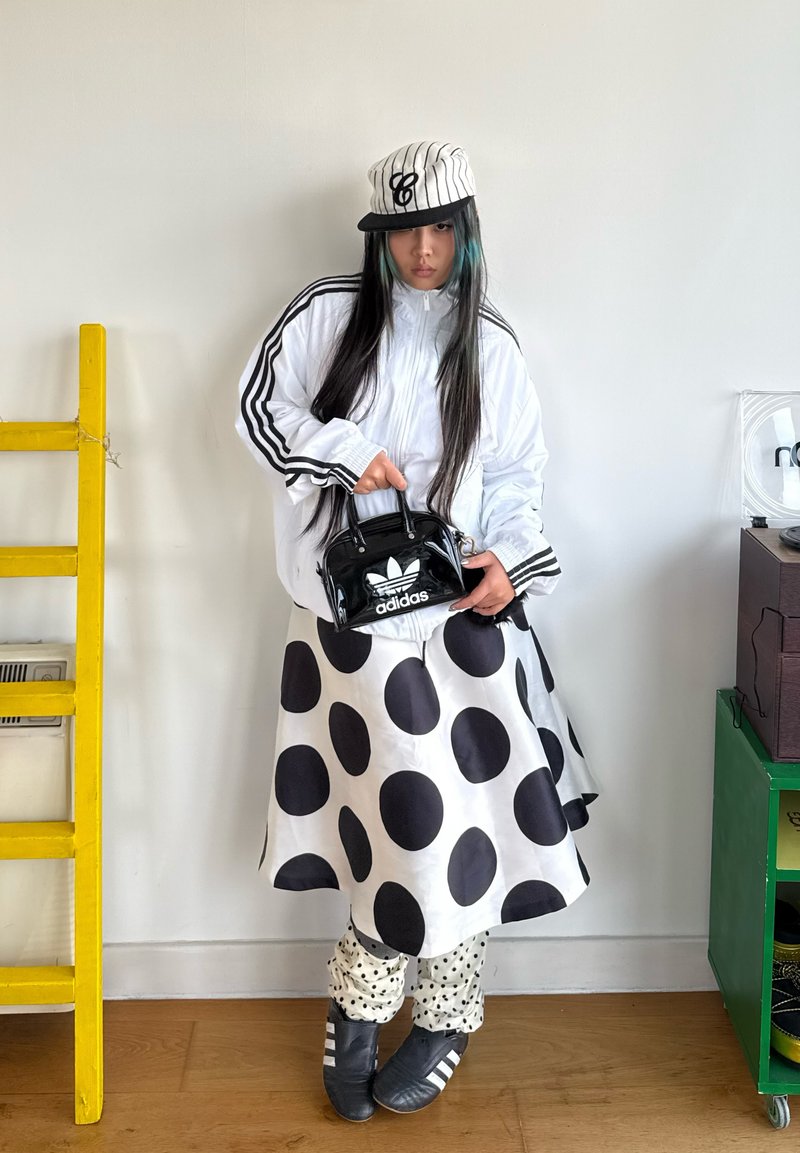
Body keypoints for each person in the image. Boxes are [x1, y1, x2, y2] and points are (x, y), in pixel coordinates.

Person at [236, 141, 599, 1122]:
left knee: (463, 827)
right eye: (404, 230)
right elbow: (257, 411)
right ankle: (366, 1004)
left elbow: (518, 477)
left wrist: (507, 563)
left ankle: (435, 1013)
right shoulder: (325, 313)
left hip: (461, 622)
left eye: (440, 228)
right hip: (350, 629)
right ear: (380, 235)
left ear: (466, 229)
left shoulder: (491, 345)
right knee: (388, 824)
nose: (423, 249)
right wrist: (346, 451)